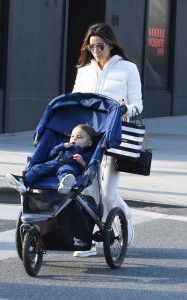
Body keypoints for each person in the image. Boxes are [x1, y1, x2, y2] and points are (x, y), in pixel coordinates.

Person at [72, 23, 143, 257]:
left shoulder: (128, 69)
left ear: (111, 44)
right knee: (90, 192)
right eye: (91, 46)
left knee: (109, 194)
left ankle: (123, 218)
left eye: (100, 45)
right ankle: (92, 242)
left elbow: (138, 104)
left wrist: (126, 109)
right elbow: (75, 99)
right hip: (89, 139)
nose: (96, 51)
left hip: (115, 136)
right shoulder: (84, 70)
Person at [6, 124, 97, 194]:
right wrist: (62, 146)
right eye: (72, 136)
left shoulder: (86, 153)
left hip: (71, 166)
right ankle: (24, 181)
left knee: (65, 171)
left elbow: (88, 167)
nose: (74, 139)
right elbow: (52, 154)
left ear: (89, 143)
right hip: (55, 163)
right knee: (39, 168)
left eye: (79, 137)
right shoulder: (65, 147)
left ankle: (65, 184)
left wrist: (81, 161)